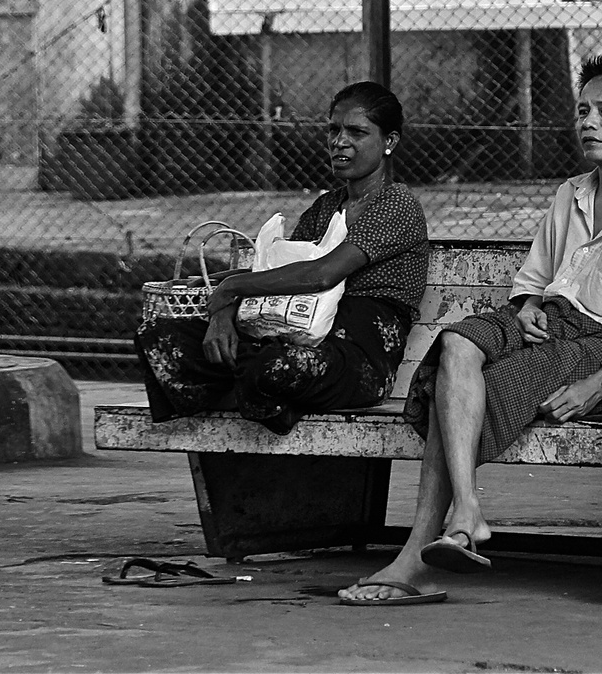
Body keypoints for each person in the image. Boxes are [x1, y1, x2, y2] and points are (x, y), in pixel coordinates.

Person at [339, 55, 602, 605]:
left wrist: (596, 384)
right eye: (583, 110)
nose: (589, 122)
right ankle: (466, 510)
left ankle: (415, 558)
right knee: (455, 342)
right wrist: (530, 304)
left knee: (463, 386)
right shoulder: (571, 194)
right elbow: (534, 280)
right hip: (545, 324)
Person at [135, 81, 429, 436]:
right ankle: (262, 399)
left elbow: (322, 274)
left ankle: (253, 392)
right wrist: (222, 313)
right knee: (160, 337)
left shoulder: (396, 204)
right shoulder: (324, 207)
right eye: (333, 130)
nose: (339, 142)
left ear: (389, 142)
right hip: (290, 333)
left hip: (355, 357)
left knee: (275, 366)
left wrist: (230, 287)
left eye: (356, 132)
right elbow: (278, 274)